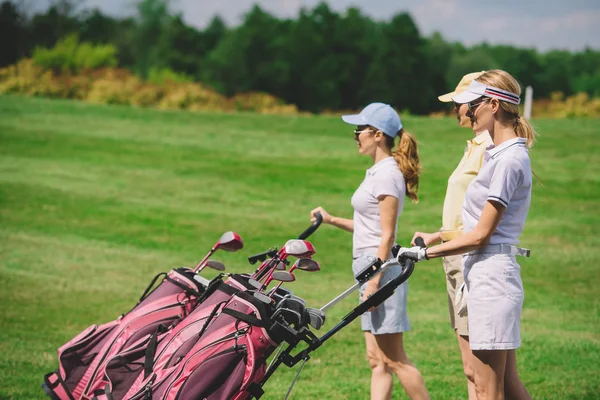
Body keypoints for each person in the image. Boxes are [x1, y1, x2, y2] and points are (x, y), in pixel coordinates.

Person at [399, 70, 535, 400]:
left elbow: (480, 236)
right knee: (499, 386)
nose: (467, 112)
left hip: (491, 279)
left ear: (493, 104)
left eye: (472, 105)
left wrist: (423, 253)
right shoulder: (497, 155)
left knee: (489, 391)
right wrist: (438, 235)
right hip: (484, 275)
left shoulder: (508, 160)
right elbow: (478, 227)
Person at [310, 103, 429, 400]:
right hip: (369, 266)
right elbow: (370, 226)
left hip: (380, 270)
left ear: (377, 135)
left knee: (395, 359)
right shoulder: (376, 171)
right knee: (377, 360)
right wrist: (332, 219)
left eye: (358, 131)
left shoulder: (388, 174)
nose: (355, 136)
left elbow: (387, 235)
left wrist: (374, 279)